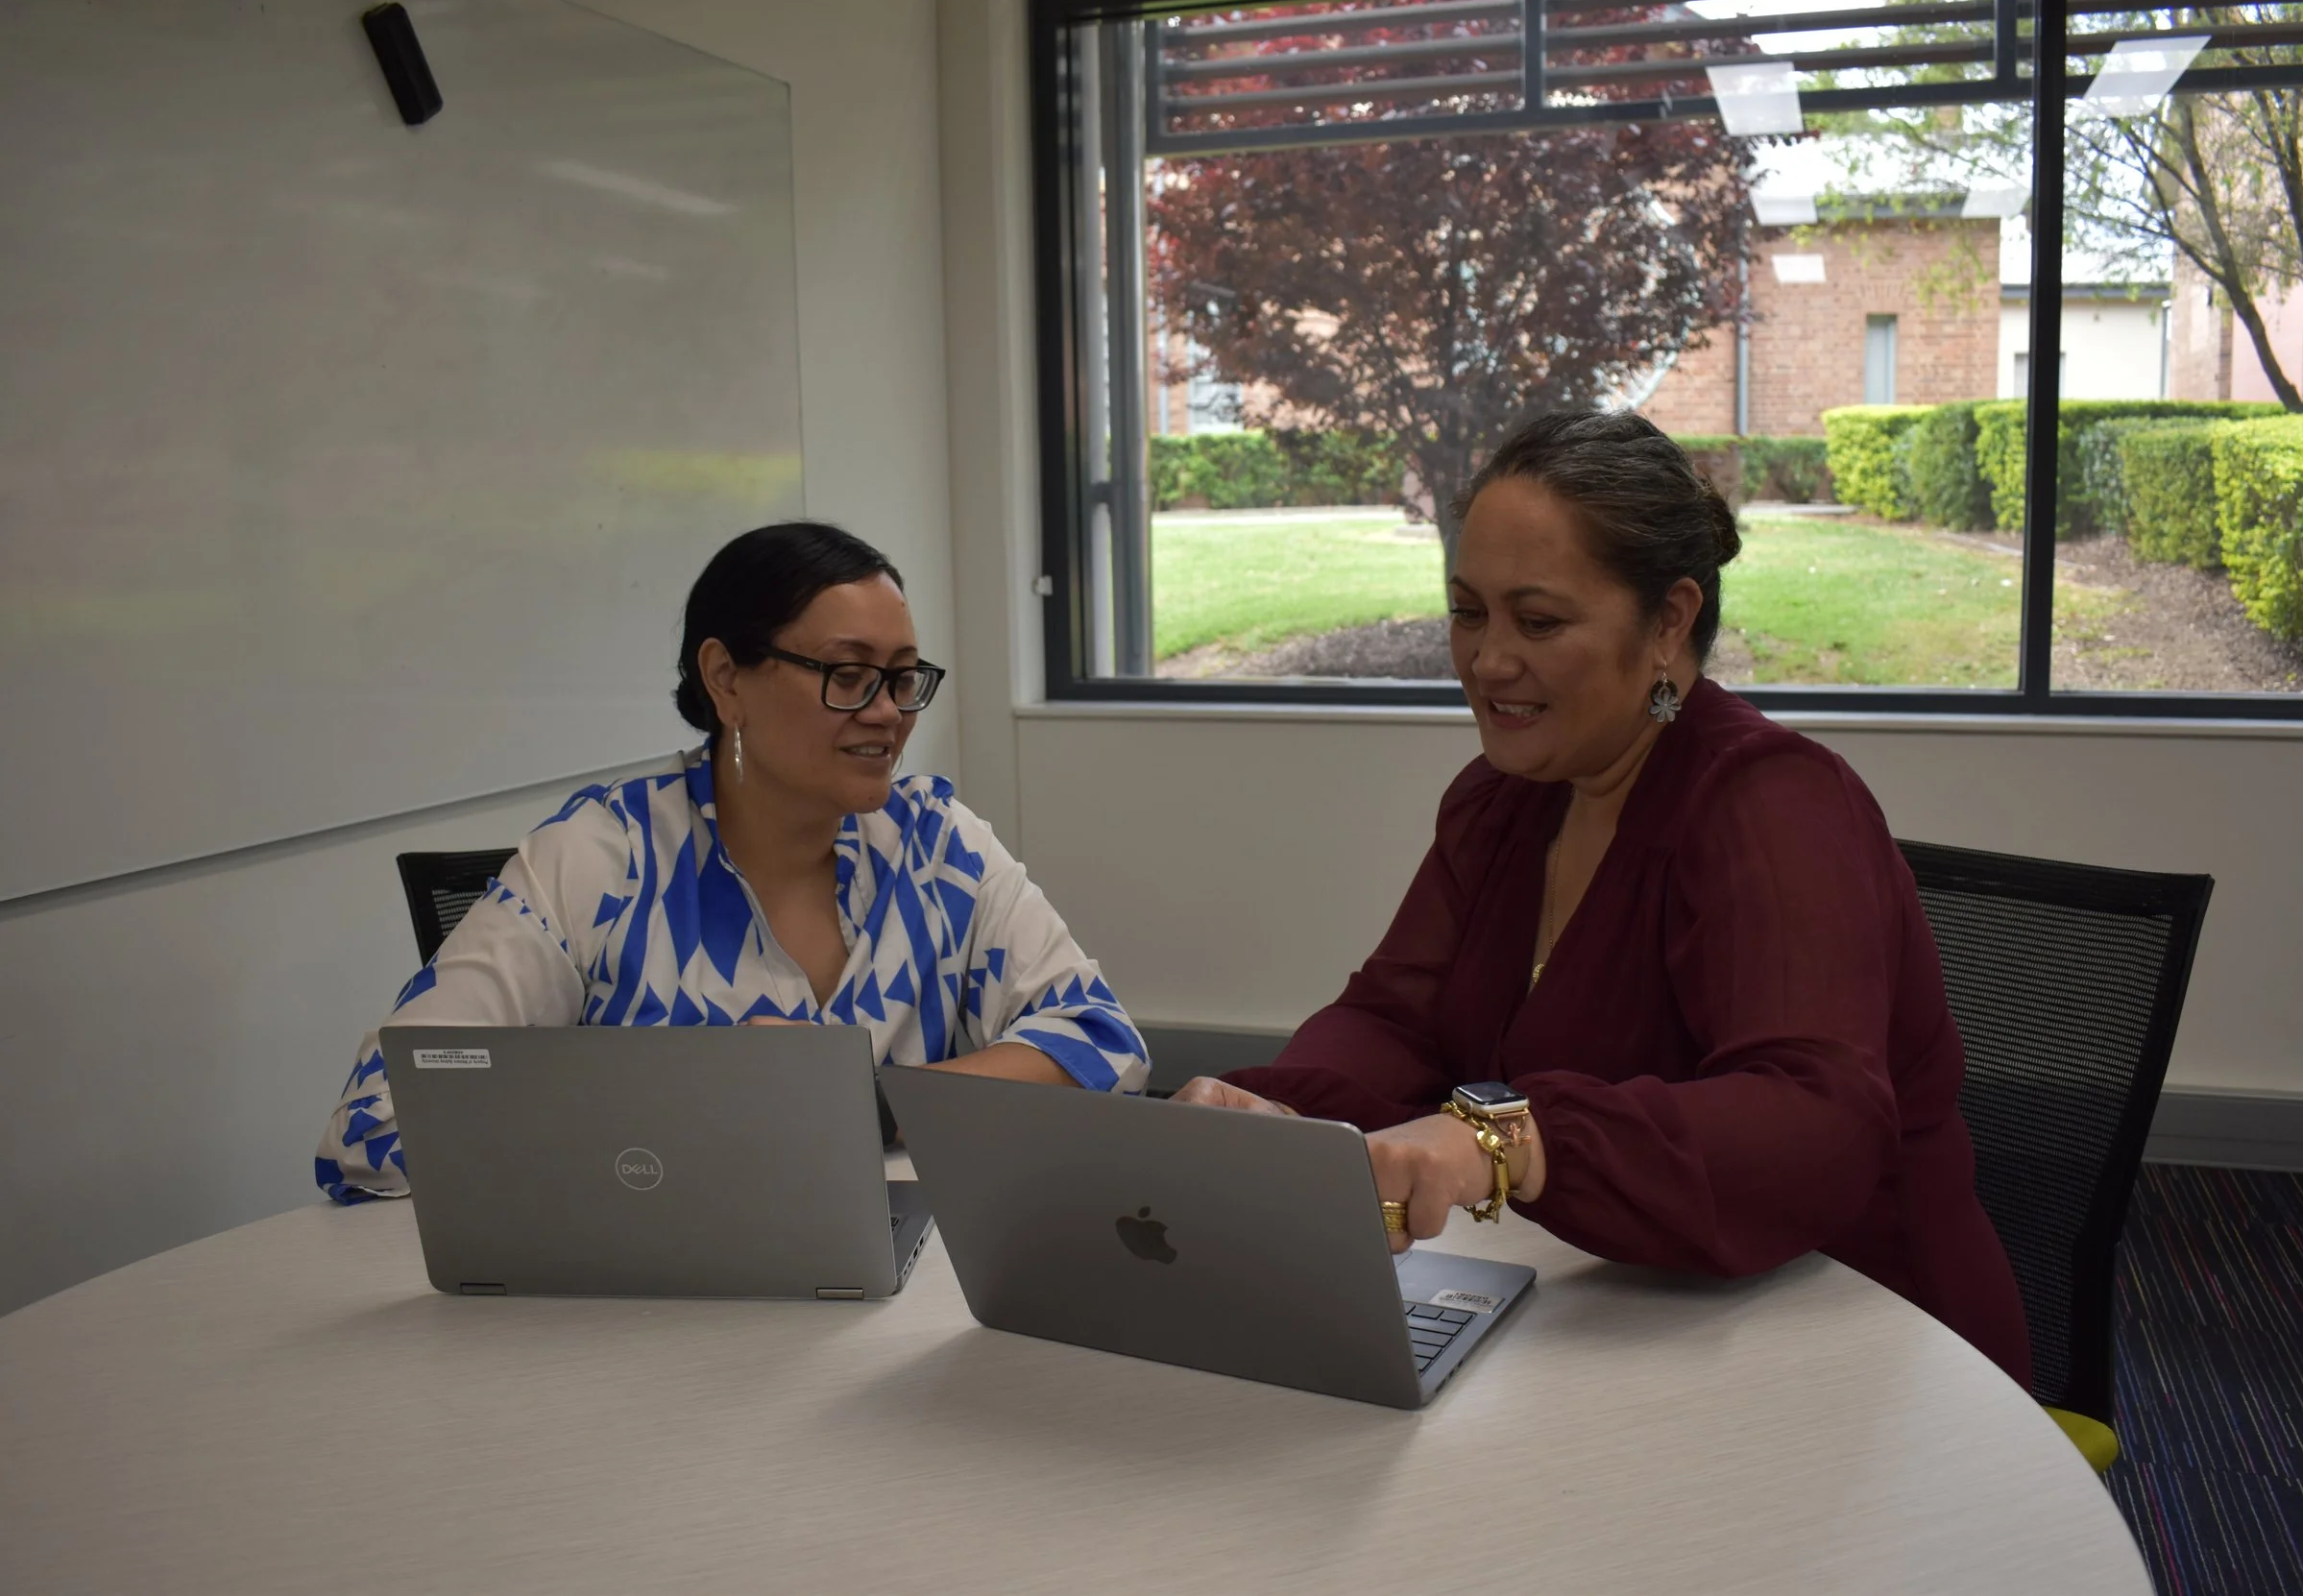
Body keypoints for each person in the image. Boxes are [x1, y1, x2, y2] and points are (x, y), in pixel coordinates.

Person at [1174, 411, 2032, 1387]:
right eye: (1467, 612)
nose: (1488, 660)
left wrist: (1503, 1140)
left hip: (1864, 1354)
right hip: (1629, 1322)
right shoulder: (1499, 801)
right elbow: (1392, 1015)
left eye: (1537, 621)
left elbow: (1813, 1126)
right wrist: (1274, 1114)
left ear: (1668, 620)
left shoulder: (1774, 805)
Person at [315, 521, 1149, 1202]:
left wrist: (871, 1102)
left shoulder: (937, 842)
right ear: (727, 679)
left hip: (901, 1299)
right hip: (645, 1318)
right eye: (850, 675)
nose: (890, 714)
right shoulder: (600, 861)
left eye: (902, 679)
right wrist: (693, 1111)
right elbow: (378, 1119)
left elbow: (1103, 1042)